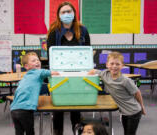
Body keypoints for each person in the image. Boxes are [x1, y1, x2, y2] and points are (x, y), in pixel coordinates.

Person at [47, 1, 90, 135]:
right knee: (58, 107)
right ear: (59, 15)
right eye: (63, 12)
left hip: (79, 74)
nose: (66, 14)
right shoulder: (54, 31)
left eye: (69, 11)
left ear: (74, 13)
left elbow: (88, 51)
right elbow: (50, 54)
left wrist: (88, 69)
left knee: (76, 106)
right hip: (59, 75)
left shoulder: (82, 30)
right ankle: (57, 132)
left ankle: (77, 131)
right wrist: (53, 73)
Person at [88, 52, 146, 135]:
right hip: (124, 112)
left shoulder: (125, 81)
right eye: (112, 63)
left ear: (122, 65)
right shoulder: (104, 74)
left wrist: (142, 106)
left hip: (134, 112)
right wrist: (85, 76)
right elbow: (93, 71)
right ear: (107, 65)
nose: (114, 66)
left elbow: (137, 92)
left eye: (117, 64)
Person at [10, 52, 59, 135]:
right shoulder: (38, 72)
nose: (37, 62)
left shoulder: (25, 76)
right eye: (33, 61)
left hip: (14, 109)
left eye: (38, 60)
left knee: (19, 132)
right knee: (30, 132)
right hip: (25, 109)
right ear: (26, 66)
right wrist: (58, 73)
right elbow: (51, 73)